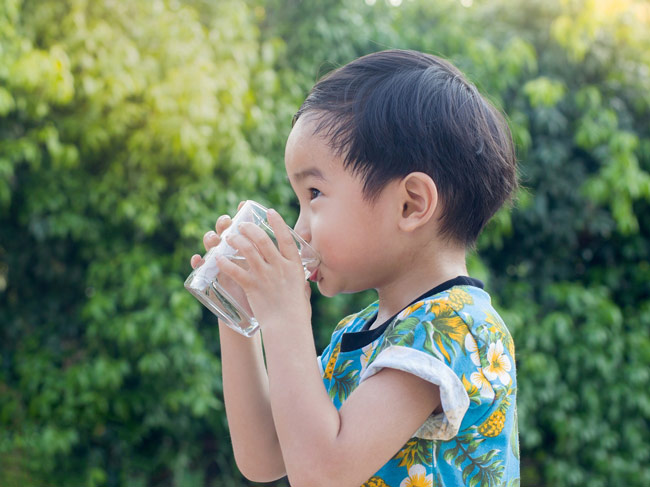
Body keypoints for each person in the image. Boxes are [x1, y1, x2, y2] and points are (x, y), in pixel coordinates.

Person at [190, 49, 519, 487]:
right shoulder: (358, 332)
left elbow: (322, 474)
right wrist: (239, 311)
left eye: (315, 194)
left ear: (410, 204)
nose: (299, 228)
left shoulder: (454, 327)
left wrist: (286, 316)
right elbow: (265, 456)